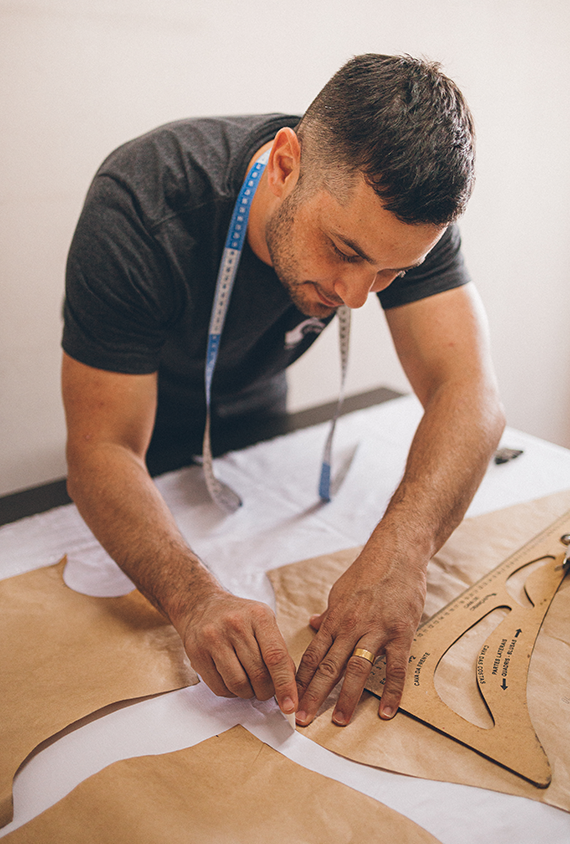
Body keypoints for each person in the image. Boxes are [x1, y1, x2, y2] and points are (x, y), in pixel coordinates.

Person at [61, 53, 505, 729]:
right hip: (144, 449)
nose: (355, 295)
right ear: (286, 162)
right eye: (344, 250)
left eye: (391, 273)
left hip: (258, 414)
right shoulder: (143, 202)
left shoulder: (400, 219)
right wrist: (194, 597)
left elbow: (471, 389)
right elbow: (101, 447)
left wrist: (403, 551)